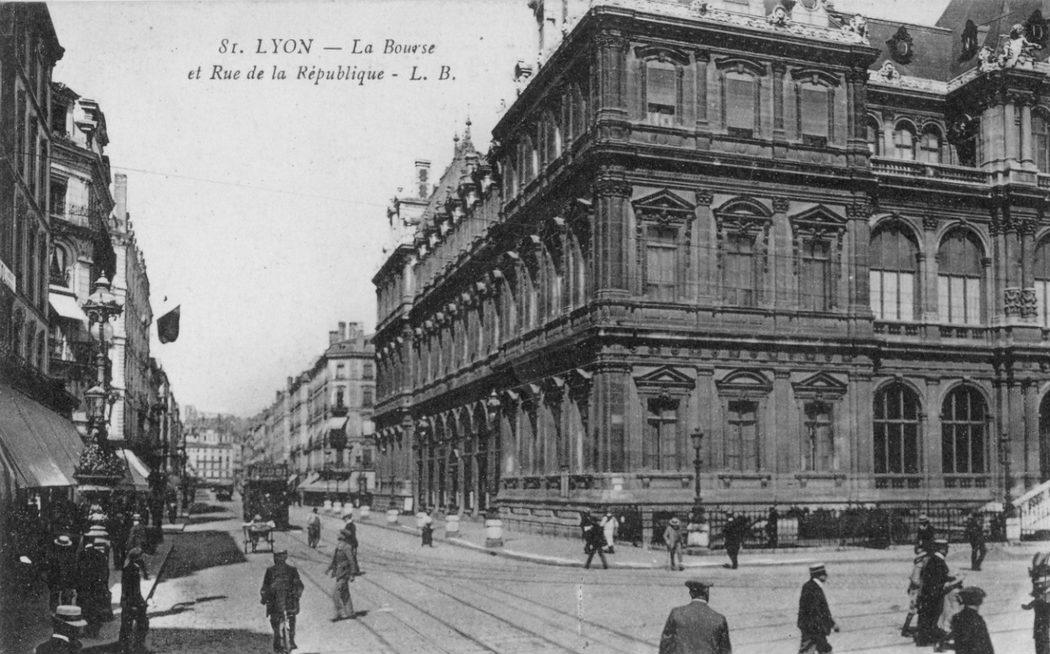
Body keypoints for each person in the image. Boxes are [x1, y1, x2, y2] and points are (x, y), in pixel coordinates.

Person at [658, 579, 732, 654]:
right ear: (707, 592)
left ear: (691, 593)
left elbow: (665, 646)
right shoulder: (719, 619)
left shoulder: (676, 613)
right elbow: (725, 651)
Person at [260, 548, 304, 653]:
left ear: (284, 557)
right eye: (277, 556)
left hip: (283, 602)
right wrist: (297, 595)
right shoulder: (273, 571)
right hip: (282, 603)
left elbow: (298, 586)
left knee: (284, 621)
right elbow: (265, 587)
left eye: (280, 556)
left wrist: (264, 598)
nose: (278, 558)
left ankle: (285, 641)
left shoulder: (289, 570)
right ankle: (287, 640)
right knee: (285, 621)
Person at [916, 538, 955, 646]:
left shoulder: (934, 559)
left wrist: (949, 578)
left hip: (929, 593)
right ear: (942, 549)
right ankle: (927, 639)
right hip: (933, 594)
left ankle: (927, 637)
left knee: (929, 616)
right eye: (946, 548)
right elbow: (936, 579)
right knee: (931, 616)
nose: (947, 550)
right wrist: (948, 582)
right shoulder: (938, 561)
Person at [797, 563, 838, 654]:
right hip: (813, 629)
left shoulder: (811, 586)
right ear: (820, 575)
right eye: (824, 574)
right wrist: (829, 624)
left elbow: (821, 610)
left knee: (820, 650)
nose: (826, 576)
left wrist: (831, 624)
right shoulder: (812, 588)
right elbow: (817, 610)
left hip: (812, 628)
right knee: (824, 650)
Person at [77, 538, 111, 638]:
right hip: (97, 587)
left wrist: (78, 586)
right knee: (95, 609)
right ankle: (94, 631)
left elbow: (78, 571)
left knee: (85, 610)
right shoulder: (101, 555)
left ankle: (87, 631)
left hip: (85, 588)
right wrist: (103, 584)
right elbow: (105, 572)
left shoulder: (82, 555)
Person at [118, 548, 149, 654]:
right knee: (142, 624)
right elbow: (134, 590)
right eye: (141, 556)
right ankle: (137, 647)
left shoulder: (128, 568)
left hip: (127, 601)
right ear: (137, 558)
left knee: (126, 627)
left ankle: (124, 648)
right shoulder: (133, 570)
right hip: (132, 602)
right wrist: (139, 603)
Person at [949, 586, 994, 654]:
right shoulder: (977, 619)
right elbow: (985, 645)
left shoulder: (956, 618)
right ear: (978, 602)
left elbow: (961, 643)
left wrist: (947, 646)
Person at [326, 529, 357, 621]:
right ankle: (350, 612)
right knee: (345, 593)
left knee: (335, 594)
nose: (338, 535)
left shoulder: (347, 547)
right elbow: (334, 559)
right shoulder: (339, 545)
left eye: (340, 534)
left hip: (344, 574)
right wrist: (329, 568)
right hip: (339, 573)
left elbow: (352, 561)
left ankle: (340, 612)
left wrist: (352, 574)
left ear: (343, 536)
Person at [901, 543, 930, 637]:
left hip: (915, 588)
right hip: (916, 589)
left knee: (916, 609)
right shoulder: (920, 564)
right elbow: (915, 579)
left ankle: (908, 628)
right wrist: (923, 585)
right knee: (914, 609)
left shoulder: (920, 562)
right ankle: (905, 629)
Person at [46, 535, 78, 609]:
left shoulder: (54, 555)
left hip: (59, 579)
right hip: (64, 580)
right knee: (64, 598)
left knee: (57, 597)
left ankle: (55, 611)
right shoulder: (70, 556)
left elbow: (50, 569)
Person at [1023, 581, 1050, 654]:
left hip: (1038, 625)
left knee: (1040, 643)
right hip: (1044, 625)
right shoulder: (1045, 604)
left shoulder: (1035, 602)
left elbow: (1027, 607)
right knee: (1045, 643)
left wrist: (1023, 606)